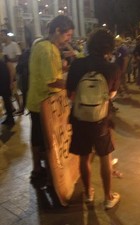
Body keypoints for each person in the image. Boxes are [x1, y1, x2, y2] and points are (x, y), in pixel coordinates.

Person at [66, 28, 121, 209]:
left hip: (80, 118)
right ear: (109, 48)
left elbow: (71, 95)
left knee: (84, 156)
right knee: (105, 156)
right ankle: (108, 197)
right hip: (101, 119)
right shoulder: (111, 68)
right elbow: (111, 95)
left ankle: (88, 192)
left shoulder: (77, 65)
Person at [26, 15, 74, 182]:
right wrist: (72, 84)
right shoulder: (48, 49)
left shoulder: (41, 45)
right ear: (57, 31)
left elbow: (49, 72)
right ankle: (40, 170)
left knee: (38, 136)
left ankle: (38, 168)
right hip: (43, 103)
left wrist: (62, 67)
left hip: (37, 101)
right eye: (67, 35)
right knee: (43, 138)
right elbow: (52, 80)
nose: (68, 39)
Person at [0, 30, 22, 114]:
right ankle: (11, 107)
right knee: (7, 90)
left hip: (14, 69)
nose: (1, 37)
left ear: (7, 36)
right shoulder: (3, 47)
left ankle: (20, 107)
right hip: (5, 72)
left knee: (14, 90)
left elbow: (18, 57)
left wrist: (9, 59)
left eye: (2, 35)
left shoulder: (14, 45)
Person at [0, 59, 15, 125]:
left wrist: (11, 83)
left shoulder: (3, 61)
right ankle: (9, 118)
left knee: (7, 102)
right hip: (4, 84)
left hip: (4, 85)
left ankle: (11, 119)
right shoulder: (2, 61)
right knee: (6, 102)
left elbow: (10, 72)